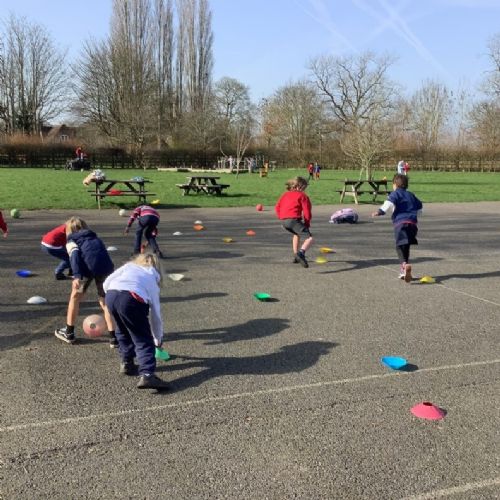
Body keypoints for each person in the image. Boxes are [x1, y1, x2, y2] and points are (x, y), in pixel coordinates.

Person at [104, 253, 169, 390]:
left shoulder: (128, 266)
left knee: (122, 330)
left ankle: (126, 362)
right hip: (131, 299)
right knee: (142, 338)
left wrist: (111, 295)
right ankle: (147, 375)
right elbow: (156, 315)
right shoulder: (151, 278)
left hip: (111, 295)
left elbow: (107, 281)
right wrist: (157, 338)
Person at [55, 217, 117, 346]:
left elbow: (74, 257)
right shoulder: (95, 238)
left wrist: (77, 276)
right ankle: (114, 338)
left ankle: (69, 333)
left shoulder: (71, 241)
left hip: (85, 270)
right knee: (105, 302)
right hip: (105, 269)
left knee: (75, 297)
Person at [372, 174, 423, 282]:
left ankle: (404, 265)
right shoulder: (411, 195)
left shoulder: (395, 194)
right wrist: (415, 216)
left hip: (401, 224)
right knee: (406, 246)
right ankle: (404, 269)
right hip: (412, 224)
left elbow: (388, 204)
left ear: (395, 184)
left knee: (399, 246)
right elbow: (420, 207)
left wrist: (380, 212)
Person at [275, 176, 314, 268]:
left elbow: (277, 207)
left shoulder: (285, 194)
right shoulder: (303, 196)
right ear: (300, 187)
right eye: (304, 188)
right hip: (293, 220)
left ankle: (296, 255)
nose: (304, 190)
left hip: (284, 221)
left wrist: (282, 218)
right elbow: (307, 212)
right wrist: (307, 224)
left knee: (296, 234)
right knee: (309, 238)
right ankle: (301, 254)